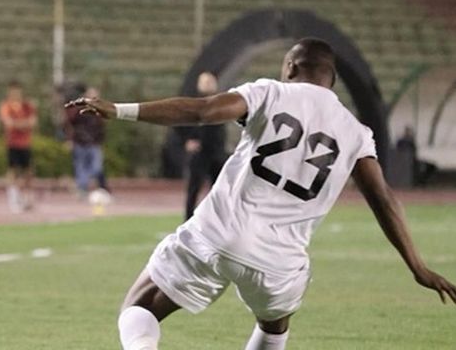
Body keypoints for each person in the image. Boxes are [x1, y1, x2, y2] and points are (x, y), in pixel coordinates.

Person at [67, 37, 456, 350]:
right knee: (274, 327)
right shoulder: (356, 133)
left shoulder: (270, 92)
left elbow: (203, 111)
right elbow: (383, 199)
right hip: (279, 260)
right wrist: (417, 267)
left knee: (138, 308)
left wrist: (120, 109)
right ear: (332, 79)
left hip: (217, 232)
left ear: (290, 67)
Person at [178, 72, 226, 221]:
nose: (208, 85)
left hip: (216, 151)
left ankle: (218, 220)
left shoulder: (221, 102)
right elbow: (179, 125)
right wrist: (188, 139)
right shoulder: (192, 103)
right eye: (205, 82)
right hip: (199, 153)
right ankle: (188, 220)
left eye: (210, 82)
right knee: (193, 188)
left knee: (219, 190)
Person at [0, 80, 37, 213]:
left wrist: (17, 124)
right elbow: (8, 123)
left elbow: (32, 122)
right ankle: (13, 198)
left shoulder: (28, 106)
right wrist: (23, 124)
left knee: (28, 172)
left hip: (25, 144)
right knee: (13, 171)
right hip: (12, 144)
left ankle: (28, 198)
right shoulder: (6, 106)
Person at [65, 86, 107, 198]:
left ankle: (84, 184)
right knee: (80, 168)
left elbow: (102, 129)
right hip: (80, 143)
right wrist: (70, 140)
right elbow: (70, 125)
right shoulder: (78, 111)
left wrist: (101, 142)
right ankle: (82, 189)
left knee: (96, 167)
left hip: (94, 144)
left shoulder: (100, 112)